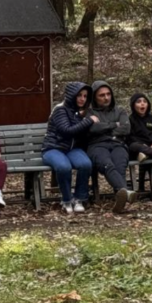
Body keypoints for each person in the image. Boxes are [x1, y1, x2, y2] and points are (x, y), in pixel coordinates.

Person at [43, 82, 96, 214]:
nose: (82, 99)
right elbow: (67, 130)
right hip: (53, 148)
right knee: (63, 167)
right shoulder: (60, 109)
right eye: (79, 95)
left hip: (71, 149)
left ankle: (79, 198)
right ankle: (66, 200)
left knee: (85, 164)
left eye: (85, 96)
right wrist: (89, 121)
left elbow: (81, 133)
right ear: (71, 95)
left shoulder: (78, 112)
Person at [85, 81, 137, 213]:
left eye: (108, 94)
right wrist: (114, 124)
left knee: (120, 165)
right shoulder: (89, 112)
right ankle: (126, 192)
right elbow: (92, 128)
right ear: (94, 97)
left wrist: (104, 129)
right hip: (97, 146)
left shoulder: (120, 110)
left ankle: (121, 195)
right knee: (107, 164)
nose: (106, 97)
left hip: (118, 144)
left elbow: (126, 128)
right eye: (101, 95)